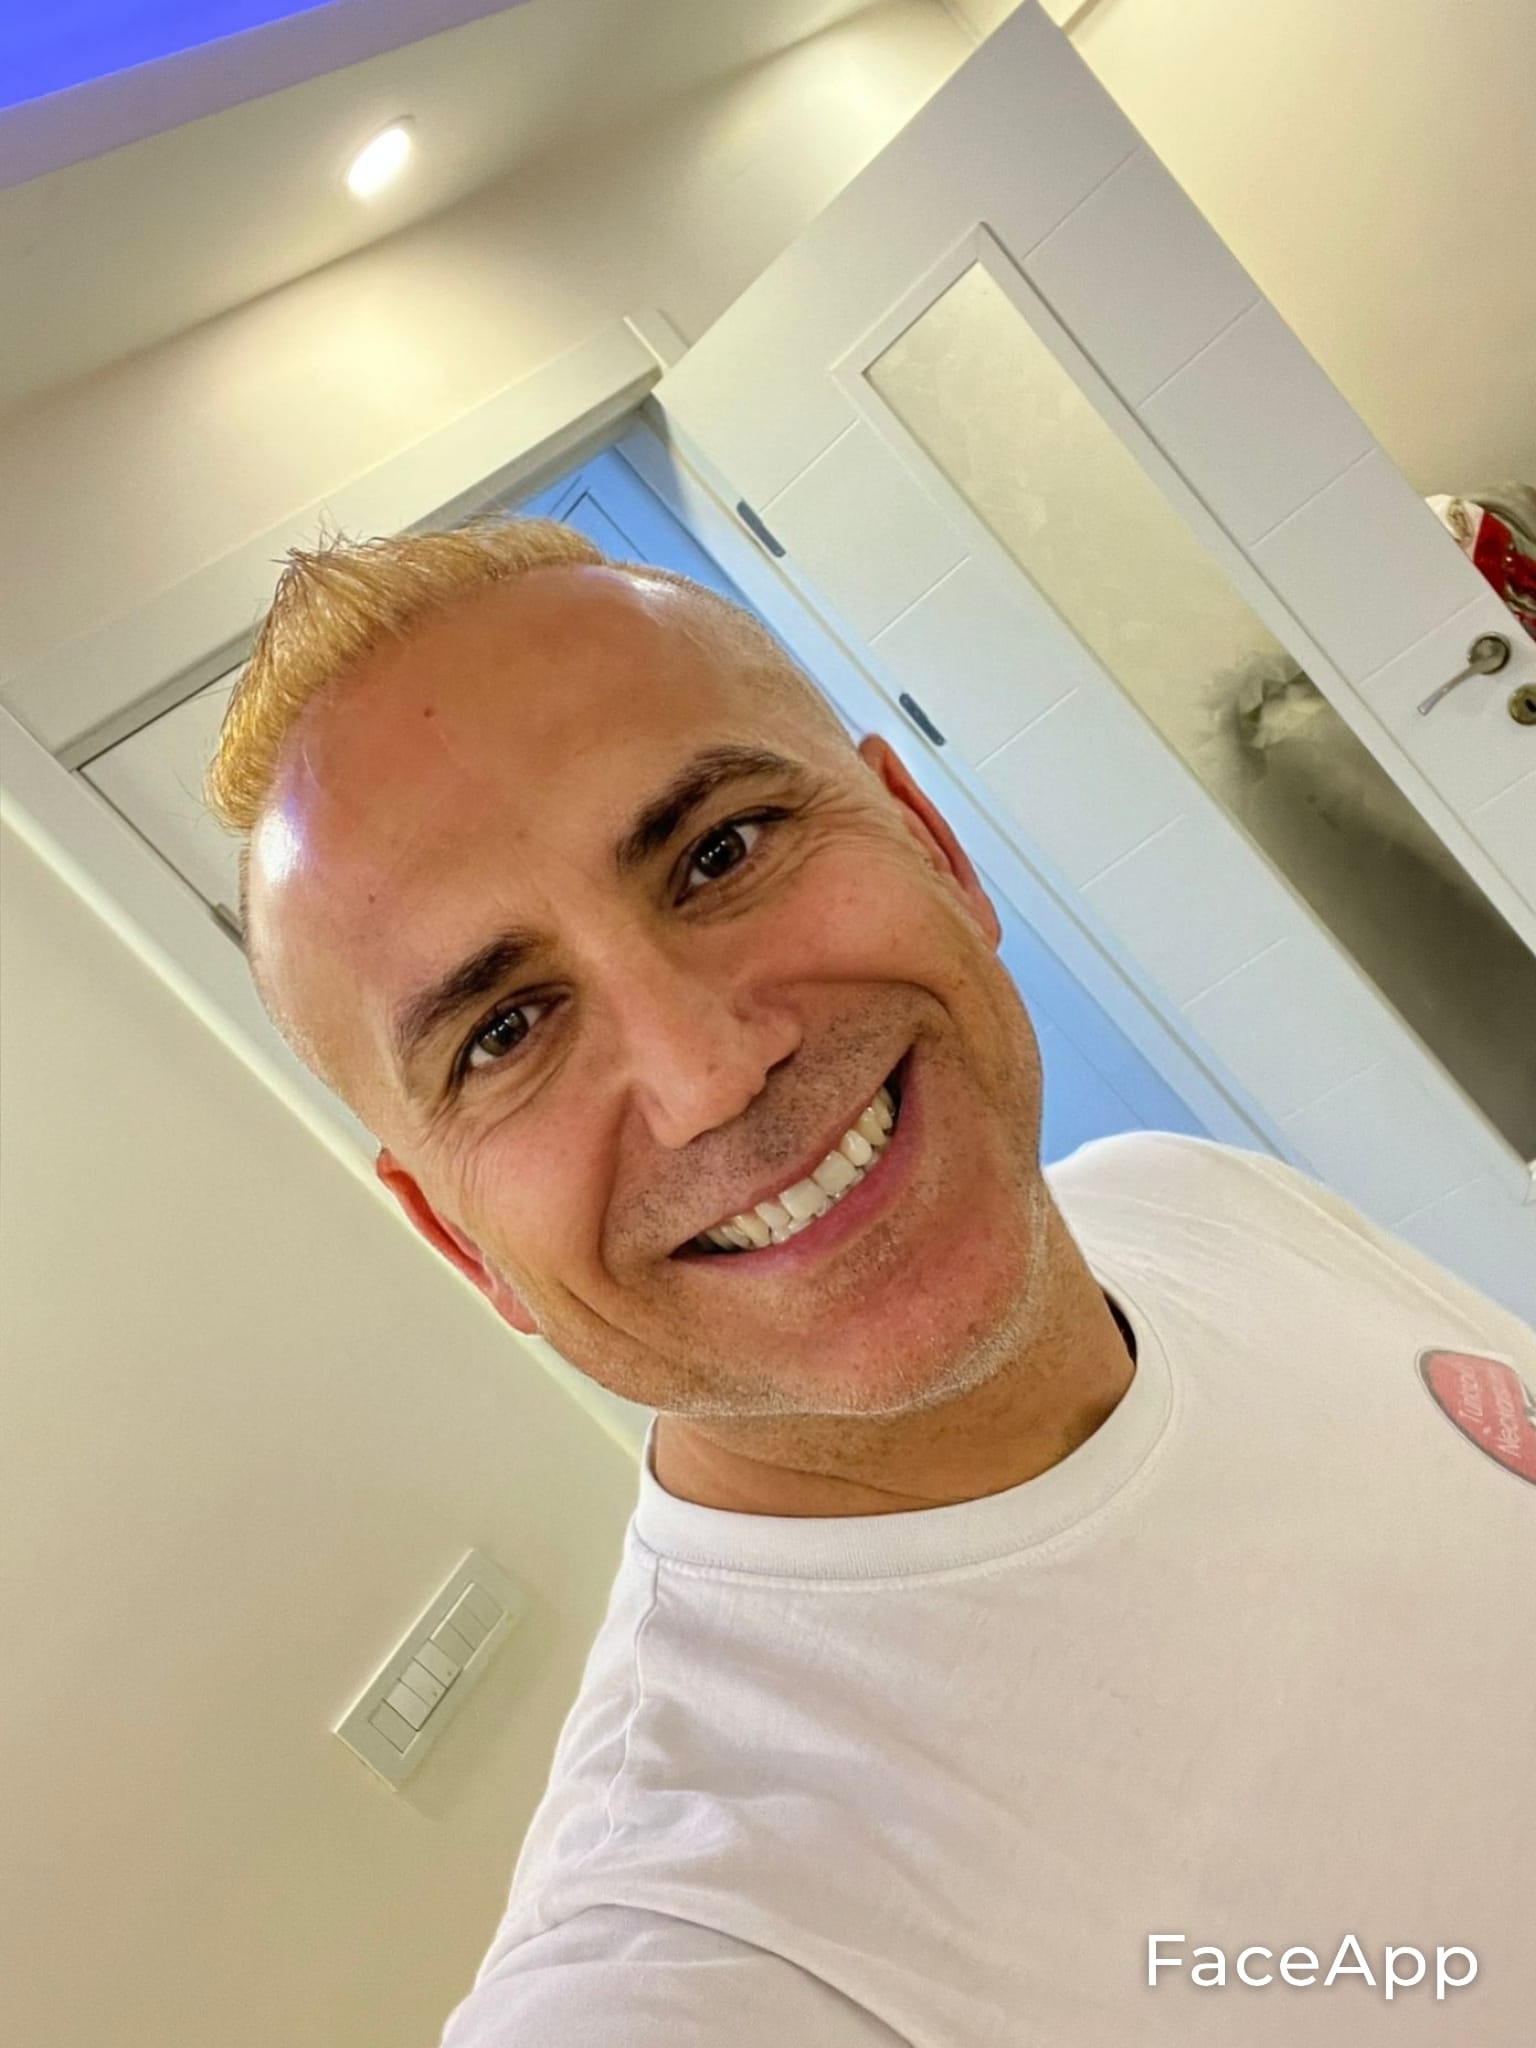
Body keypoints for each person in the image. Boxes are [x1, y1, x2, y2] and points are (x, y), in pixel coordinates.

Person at [205, 517, 1535, 2047]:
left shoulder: (1190, 1195)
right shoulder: (690, 1959)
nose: (707, 1073)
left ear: (932, 843)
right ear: (459, 1245)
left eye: (720, 853)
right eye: (502, 1033)